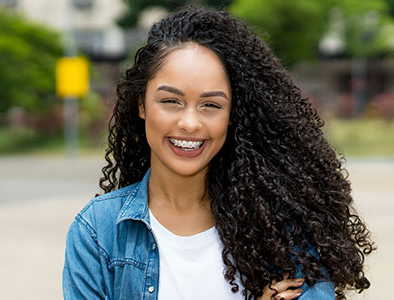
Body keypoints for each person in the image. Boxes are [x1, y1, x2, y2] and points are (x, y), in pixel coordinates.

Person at [62, 6, 375, 300]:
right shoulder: (98, 231)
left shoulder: (286, 233)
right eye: (170, 101)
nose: (189, 123)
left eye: (211, 105)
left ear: (232, 115)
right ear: (141, 105)